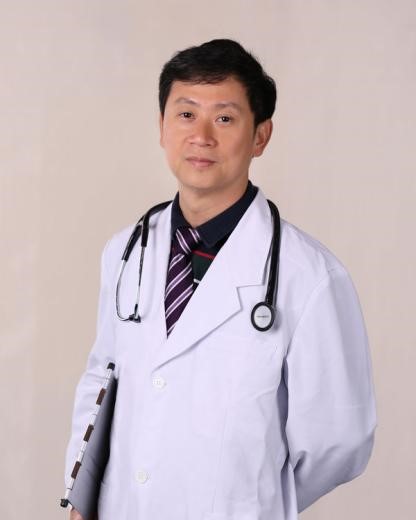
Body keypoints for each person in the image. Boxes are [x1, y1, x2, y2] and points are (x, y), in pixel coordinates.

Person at [65, 38, 377, 520]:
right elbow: (100, 381)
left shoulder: (311, 277)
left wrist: (246, 496)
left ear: (261, 136)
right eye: (186, 114)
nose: (201, 136)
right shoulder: (126, 252)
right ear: (162, 127)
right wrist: (81, 497)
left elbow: (340, 439)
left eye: (225, 118)